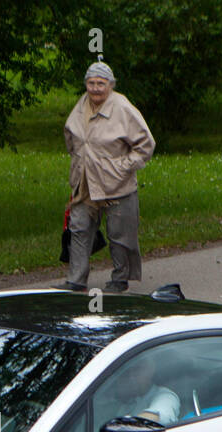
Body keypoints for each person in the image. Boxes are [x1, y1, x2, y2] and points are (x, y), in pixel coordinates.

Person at [58, 59, 155, 294]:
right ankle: (76, 280)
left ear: (110, 84)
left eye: (101, 83)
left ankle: (119, 279)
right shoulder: (81, 106)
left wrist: (121, 167)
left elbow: (146, 145)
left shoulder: (122, 108)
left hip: (116, 185)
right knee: (79, 228)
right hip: (85, 183)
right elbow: (71, 139)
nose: (95, 88)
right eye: (91, 83)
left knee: (119, 233)